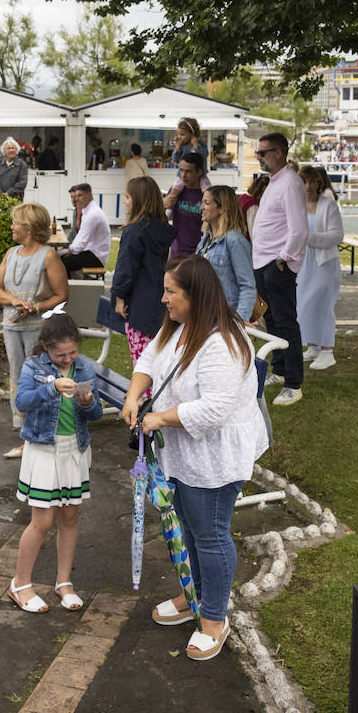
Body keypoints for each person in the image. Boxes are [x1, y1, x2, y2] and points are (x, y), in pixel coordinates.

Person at [121, 256, 267, 659]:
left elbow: (214, 409)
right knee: (186, 524)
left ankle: (215, 617)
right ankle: (195, 595)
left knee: (210, 533)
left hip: (213, 457)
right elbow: (149, 359)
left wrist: (157, 418)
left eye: (171, 291)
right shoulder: (180, 327)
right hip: (184, 451)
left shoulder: (222, 342)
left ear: (195, 295)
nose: (163, 298)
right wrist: (134, 396)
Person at [6, 312, 104, 614]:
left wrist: (87, 403)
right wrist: (50, 388)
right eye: (60, 354)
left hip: (73, 448)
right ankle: (20, 583)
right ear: (46, 348)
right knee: (43, 520)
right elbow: (21, 402)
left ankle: (64, 583)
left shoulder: (85, 366)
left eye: (72, 352)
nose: (67, 358)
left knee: (69, 518)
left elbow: (96, 414)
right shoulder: (34, 366)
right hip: (43, 449)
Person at [0, 203, 69, 452]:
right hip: (11, 327)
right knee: (17, 376)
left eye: (16, 222)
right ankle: (26, 433)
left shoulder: (48, 255)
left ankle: (42, 431)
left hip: (38, 328)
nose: (12, 227)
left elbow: (62, 295)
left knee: (40, 378)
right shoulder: (10, 253)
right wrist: (13, 300)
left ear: (30, 227)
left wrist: (36, 307)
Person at [250, 133, 309, 406]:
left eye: (264, 152)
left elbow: (299, 229)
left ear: (280, 152)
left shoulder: (291, 183)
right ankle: (280, 368)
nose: (259, 157)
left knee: (286, 322)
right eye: (258, 153)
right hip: (263, 263)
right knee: (272, 320)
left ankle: (293, 383)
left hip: (277, 264)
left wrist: (283, 259)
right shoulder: (274, 182)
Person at [111, 177, 176, 361]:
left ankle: (146, 392)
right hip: (158, 304)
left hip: (138, 308)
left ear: (139, 201)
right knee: (157, 360)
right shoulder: (162, 230)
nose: (124, 201)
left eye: (127, 197)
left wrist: (119, 297)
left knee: (143, 365)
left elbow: (125, 268)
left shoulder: (134, 232)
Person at [297, 166, 344, 371]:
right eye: (303, 182)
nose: (307, 186)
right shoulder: (297, 205)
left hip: (324, 263)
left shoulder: (329, 206)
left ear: (318, 183)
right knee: (306, 305)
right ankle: (314, 345)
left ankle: (327, 351)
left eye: (311, 182)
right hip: (302, 263)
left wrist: (309, 238)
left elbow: (337, 236)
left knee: (324, 305)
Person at [197, 186, 257, 322]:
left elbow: (247, 285)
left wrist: (240, 321)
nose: (201, 207)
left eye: (207, 203)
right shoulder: (205, 238)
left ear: (222, 208)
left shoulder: (235, 240)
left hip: (225, 318)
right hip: (204, 314)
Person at [164, 152, 210, 256]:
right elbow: (161, 218)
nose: (183, 175)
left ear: (199, 172)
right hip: (177, 252)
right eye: (181, 170)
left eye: (188, 171)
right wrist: (163, 204)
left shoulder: (207, 196)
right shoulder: (175, 191)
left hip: (198, 254)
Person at [59, 182, 110, 273]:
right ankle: (69, 284)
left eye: (80, 195)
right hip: (90, 251)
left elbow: (83, 240)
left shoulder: (92, 214)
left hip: (97, 256)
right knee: (61, 259)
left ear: (89, 195)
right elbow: (80, 235)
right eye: (76, 196)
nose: (76, 199)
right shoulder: (87, 210)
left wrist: (70, 250)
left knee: (62, 263)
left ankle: (67, 286)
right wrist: (70, 249)